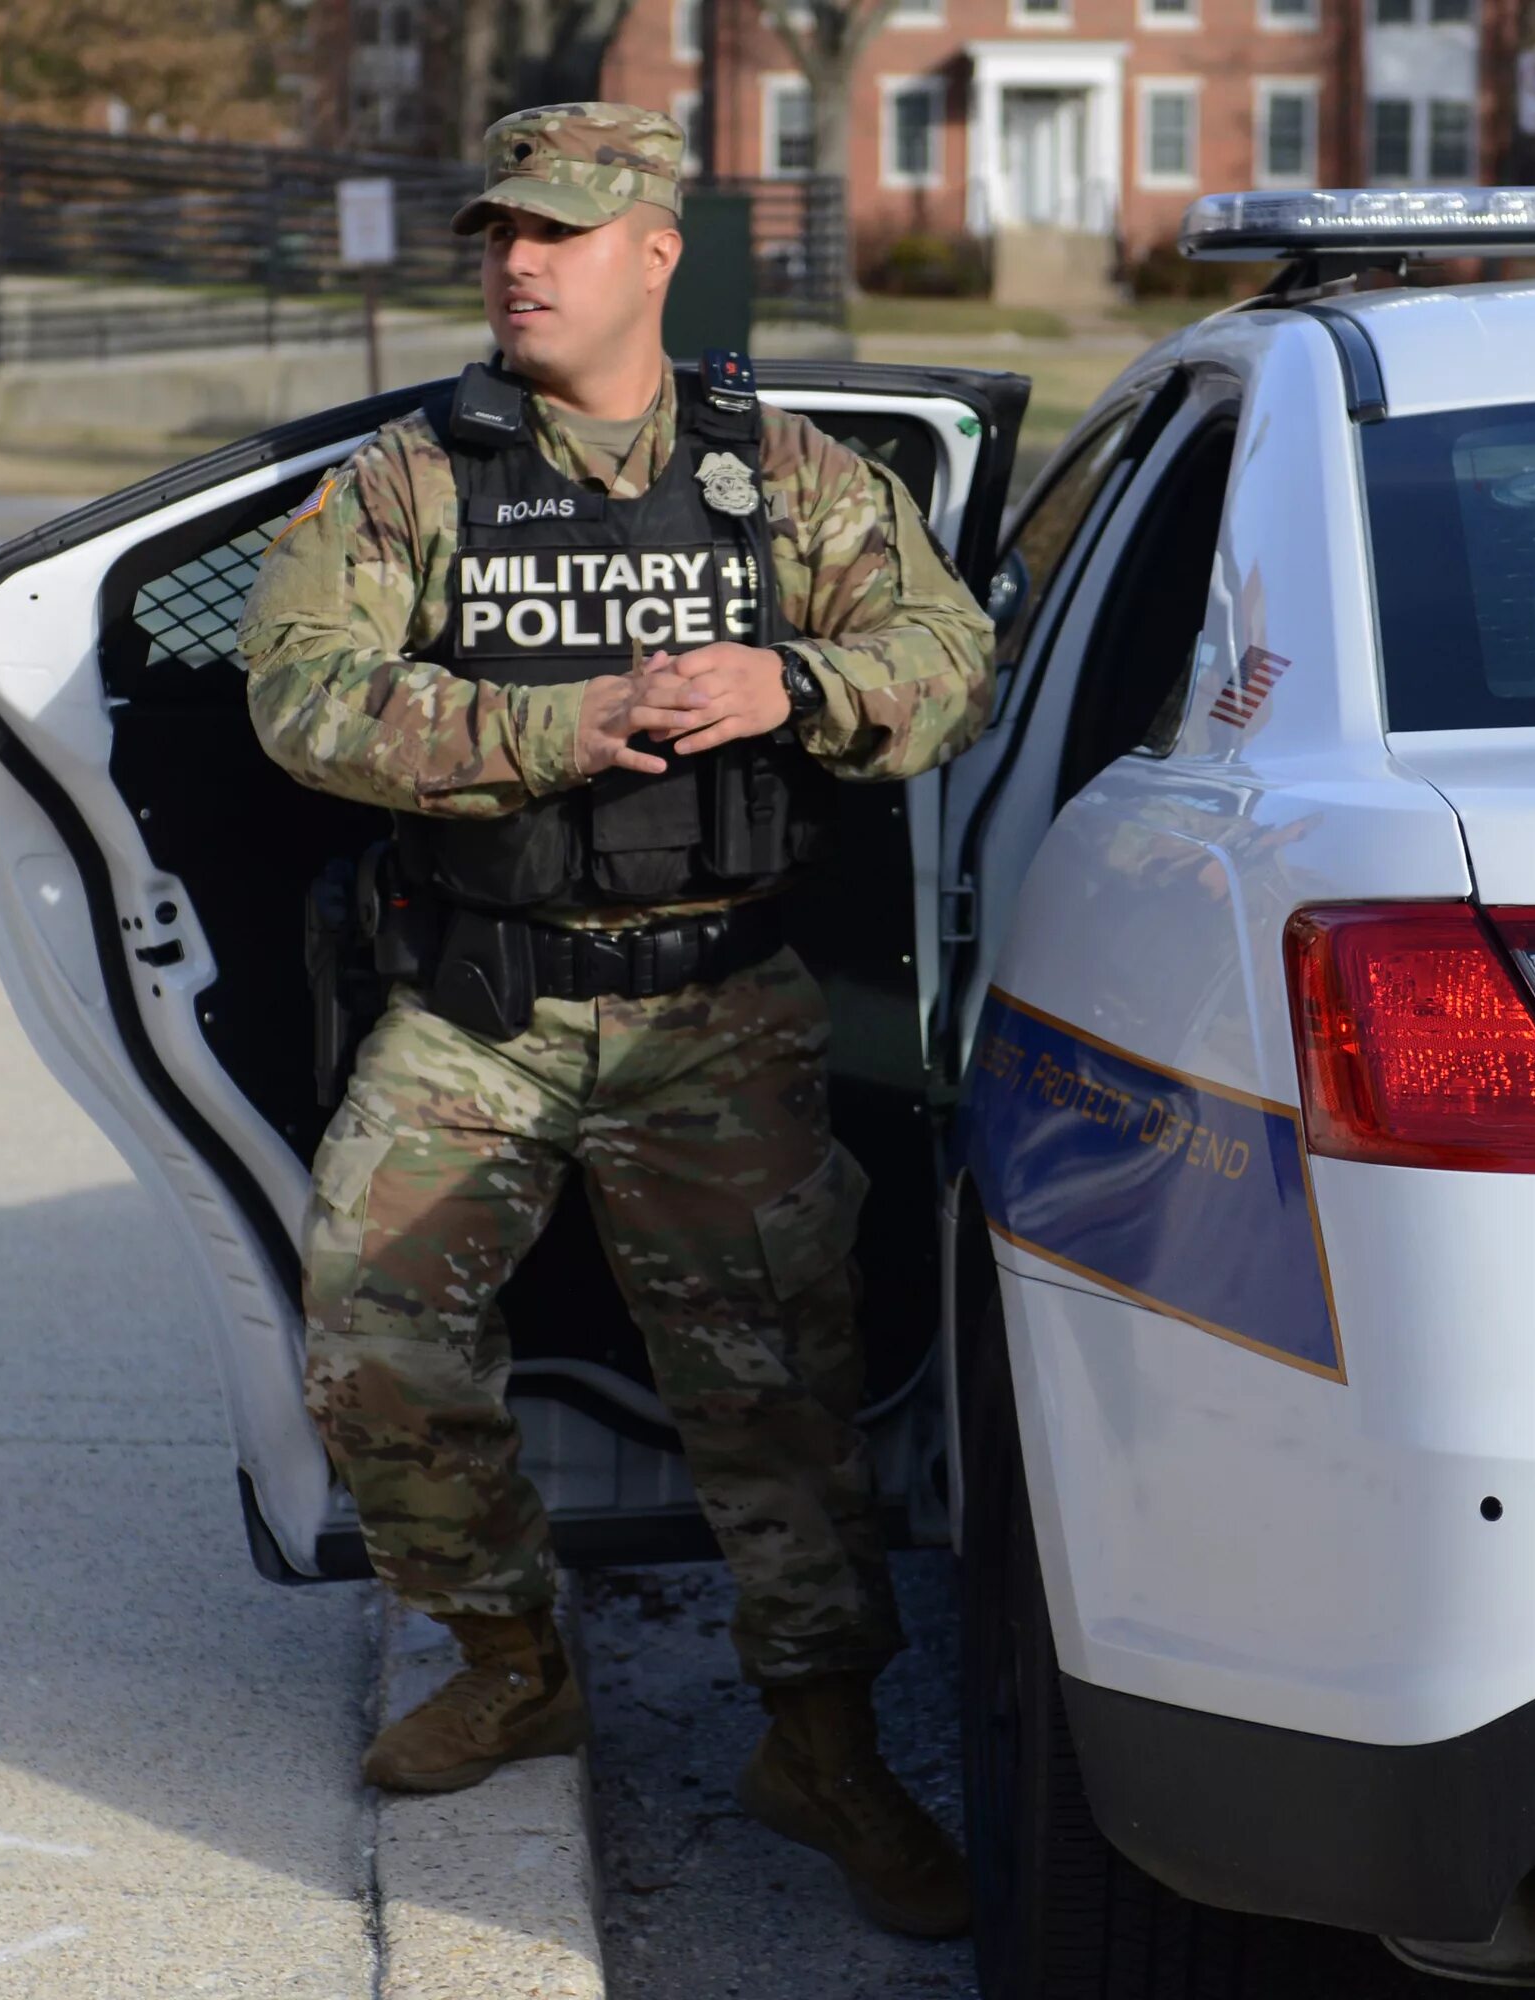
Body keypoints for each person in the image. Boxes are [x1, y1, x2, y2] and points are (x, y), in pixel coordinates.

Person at [236, 102, 995, 1939]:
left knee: (782, 1398)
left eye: (557, 232)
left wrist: (787, 680)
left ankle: (817, 1741)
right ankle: (511, 1658)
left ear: (658, 251)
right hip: (482, 1008)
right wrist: (549, 729)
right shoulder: (419, 481)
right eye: (498, 229)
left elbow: (950, 660)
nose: (516, 261)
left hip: (717, 1008)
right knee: (370, 1329)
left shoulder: (781, 475)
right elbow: (297, 693)